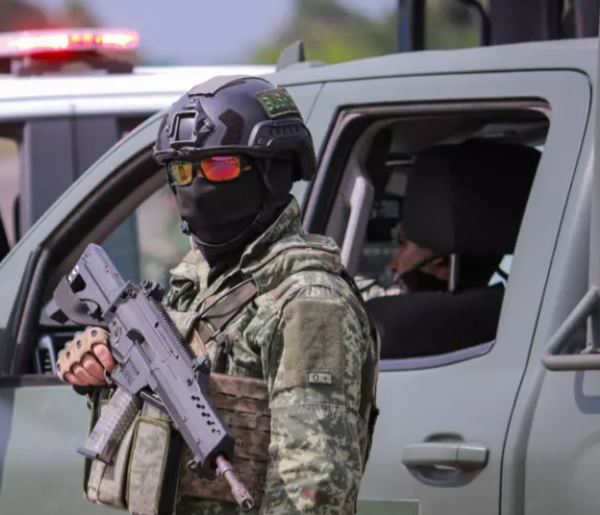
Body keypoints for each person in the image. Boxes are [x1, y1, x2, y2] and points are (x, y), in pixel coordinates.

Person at [56, 75, 379, 515]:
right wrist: (102, 361)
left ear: (272, 170)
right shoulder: (198, 282)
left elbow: (313, 492)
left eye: (219, 167)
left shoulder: (309, 302)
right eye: (182, 170)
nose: (195, 184)